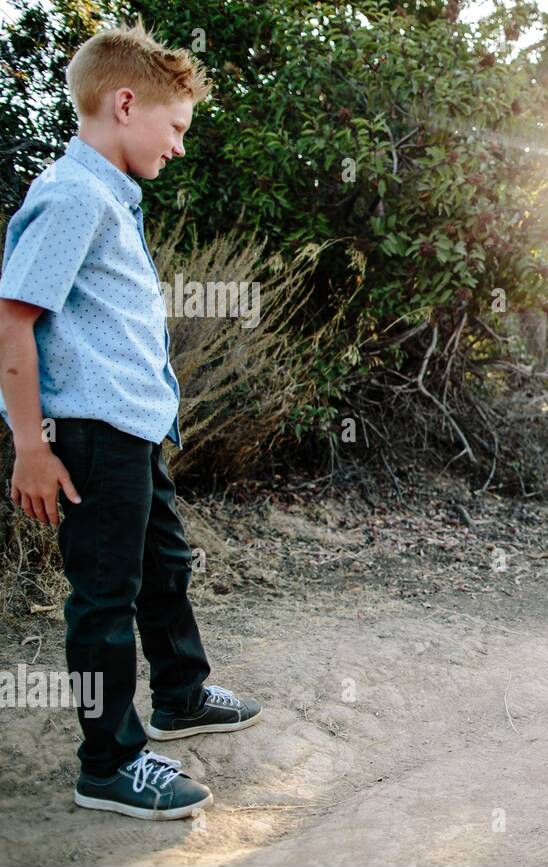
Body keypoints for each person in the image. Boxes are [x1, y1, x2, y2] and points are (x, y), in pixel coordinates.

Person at [0, 21, 261, 821]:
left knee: (163, 567)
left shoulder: (108, 195)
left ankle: (180, 694)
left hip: (131, 432)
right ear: (124, 103)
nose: (179, 146)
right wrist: (30, 445)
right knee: (104, 599)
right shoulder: (74, 195)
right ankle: (108, 762)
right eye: (175, 126)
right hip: (85, 435)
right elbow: (12, 320)